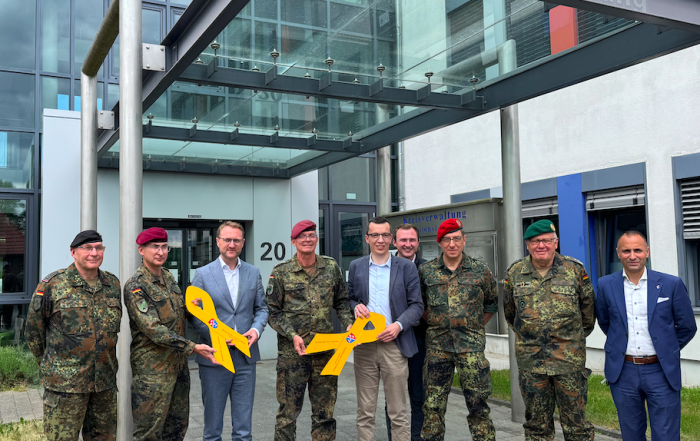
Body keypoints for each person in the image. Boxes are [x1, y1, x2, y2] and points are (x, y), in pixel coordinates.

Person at [595, 230, 696, 440]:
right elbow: (606, 322)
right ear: (618, 253)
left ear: (647, 252)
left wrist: (666, 349)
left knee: (666, 435)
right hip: (623, 371)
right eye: (626, 251)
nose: (633, 256)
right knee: (631, 434)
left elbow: (687, 326)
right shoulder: (605, 285)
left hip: (661, 370)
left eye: (638, 250)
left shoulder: (671, 284)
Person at [504, 219, 596, 441]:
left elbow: (588, 313)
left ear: (556, 242)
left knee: (577, 427)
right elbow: (511, 314)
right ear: (527, 245)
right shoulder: (515, 272)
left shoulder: (574, 270)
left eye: (546, 240)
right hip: (532, 363)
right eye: (535, 241)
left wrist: (570, 341)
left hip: (568, 362)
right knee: (537, 427)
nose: (541, 245)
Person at [124, 227, 218, 441]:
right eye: (155, 247)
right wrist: (192, 347)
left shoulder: (168, 277)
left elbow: (177, 312)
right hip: (153, 373)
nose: (161, 252)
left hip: (178, 368)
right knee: (149, 433)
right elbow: (154, 329)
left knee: (177, 429)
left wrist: (192, 308)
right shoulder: (136, 286)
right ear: (141, 250)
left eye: (165, 247)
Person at [26, 230, 121, 440]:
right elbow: (33, 332)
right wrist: (52, 366)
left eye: (99, 248)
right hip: (65, 387)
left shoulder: (112, 284)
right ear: (73, 252)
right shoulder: (53, 285)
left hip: (103, 384)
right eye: (87, 248)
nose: (94, 253)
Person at [266, 220, 355, 441]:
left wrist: (349, 323)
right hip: (292, 355)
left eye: (312, 235)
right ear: (293, 241)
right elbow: (273, 312)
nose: (308, 239)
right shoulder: (281, 272)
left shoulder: (331, 267)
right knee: (287, 414)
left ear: (317, 239)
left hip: (325, 353)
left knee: (325, 414)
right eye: (302, 236)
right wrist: (292, 335)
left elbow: (342, 301)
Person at [189, 221, 269, 441]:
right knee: (212, 429)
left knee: (243, 430)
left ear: (242, 243)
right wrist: (215, 336)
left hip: (245, 356)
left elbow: (262, 308)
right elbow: (194, 314)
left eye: (236, 240)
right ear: (218, 242)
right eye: (227, 239)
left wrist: (256, 330)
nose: (231, 244)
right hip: (215, 356)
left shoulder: (253, 273)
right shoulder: (202, 274)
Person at [419, 219, 497, 441]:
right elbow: (420, 305)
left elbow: (491, 304)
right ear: (439, 243)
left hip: (471, 348)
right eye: (447, 239)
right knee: (432, 406)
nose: (452, 244)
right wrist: (439, 322)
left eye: (456, 239)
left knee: (478, 405)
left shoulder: (481, 270)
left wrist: (472, 325)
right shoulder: (426, 271)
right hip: (437, 348)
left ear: (464, 240)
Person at [348, 216, 424, 441]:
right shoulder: (356, 266)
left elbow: (417, 305)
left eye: (384, 235)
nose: (380, 240)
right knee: (365, 411)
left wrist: (398, 326)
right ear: (367, 238)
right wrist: (355, 306)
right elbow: (349, 298)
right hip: (365, 346)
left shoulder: (406, 268)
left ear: (391, 238)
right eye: (375, 235)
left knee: (398, 411)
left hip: (395, 345)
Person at [385, 224, 427, 441]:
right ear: (395, 242)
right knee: (393, 398)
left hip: (421, 340)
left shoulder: (428, 269)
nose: (408, 244)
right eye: (403, 240)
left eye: (412, 240)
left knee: (419, 395)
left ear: (418, 242)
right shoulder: (384, 266)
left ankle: (417, 437)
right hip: (392, 340)